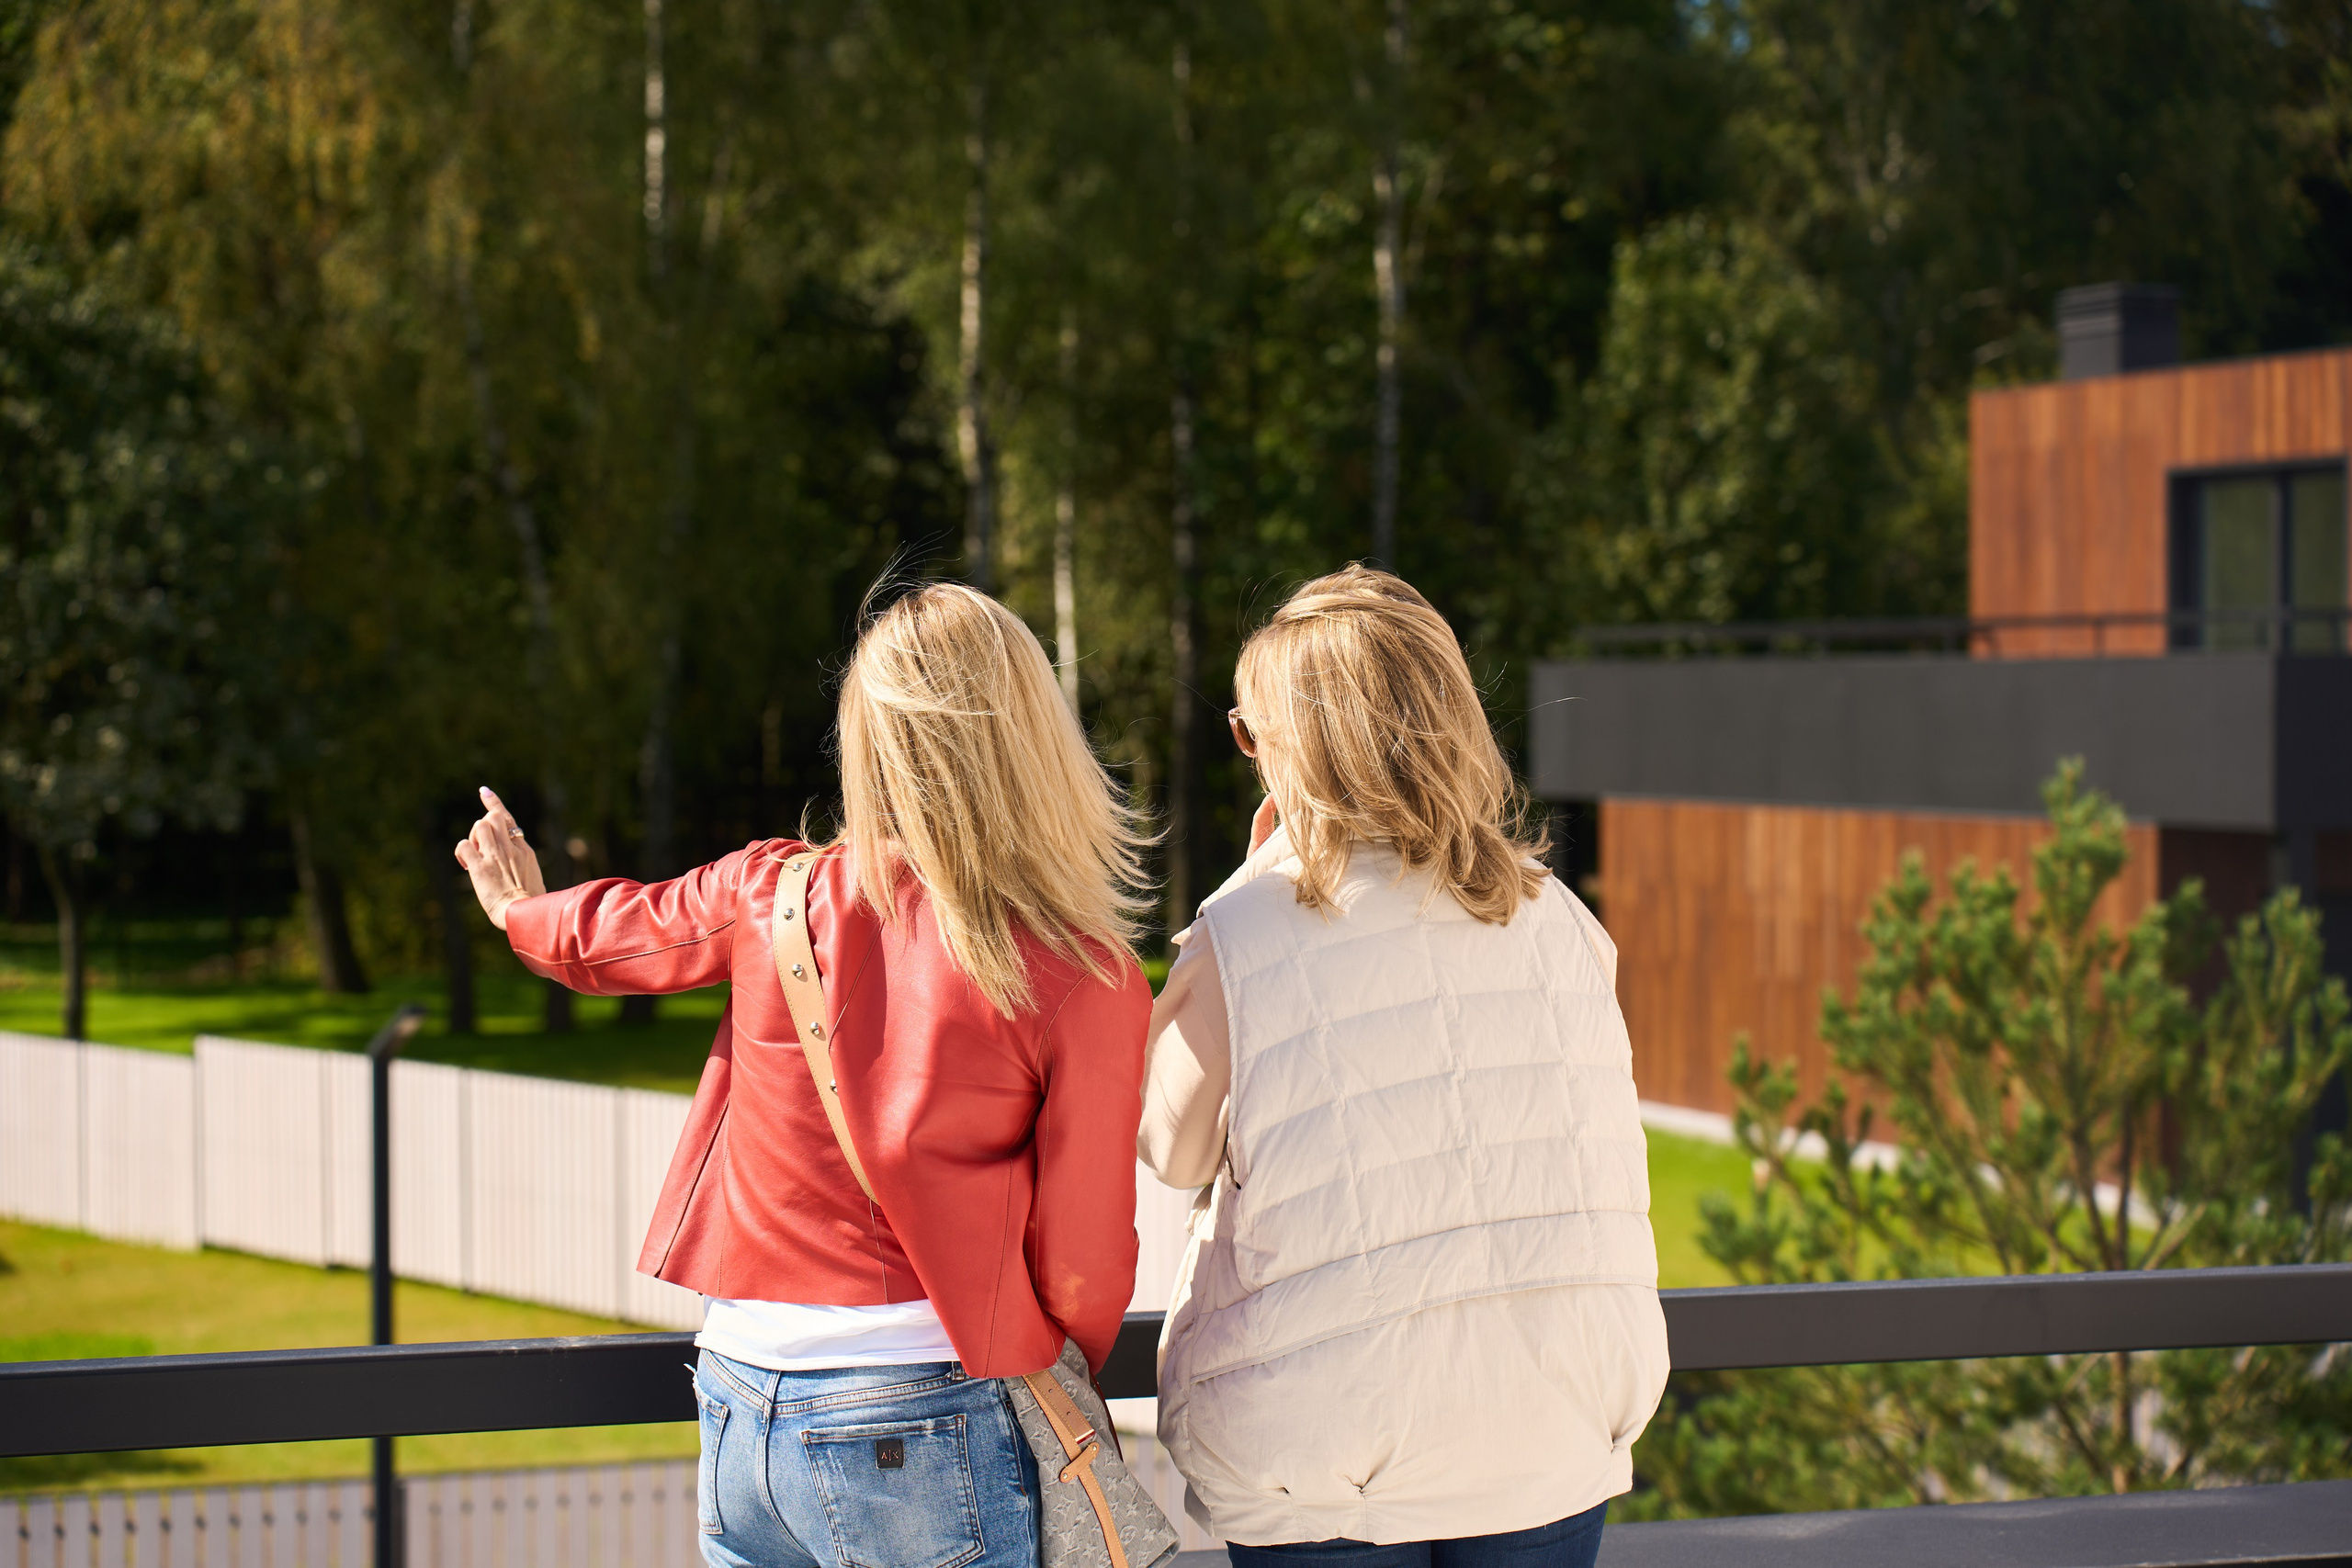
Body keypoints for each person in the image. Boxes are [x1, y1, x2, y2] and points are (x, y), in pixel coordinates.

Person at [455, 582, 1156, 1568]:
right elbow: (1085, 1261)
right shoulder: (1080, 971)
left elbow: (617, 935)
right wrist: (1045, 1365)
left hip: (740, 1399)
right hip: (926, 1411)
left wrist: (516, 911)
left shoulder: (767, 891)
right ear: (1034, 735)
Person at [1140, 566, 1668, 1568]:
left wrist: (1255, 877)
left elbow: (1169, 1148)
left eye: (1250, 731)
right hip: (1550, 1425)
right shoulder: (1562, 917)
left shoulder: (1245, 931)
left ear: (1297, 744)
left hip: (1326, 1449)